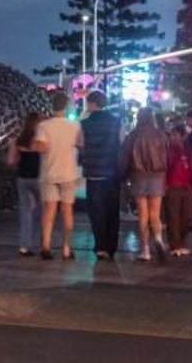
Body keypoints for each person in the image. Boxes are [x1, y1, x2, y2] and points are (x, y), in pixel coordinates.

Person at [34, 98, 81, 260]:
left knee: (49, 210)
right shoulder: (75, 125)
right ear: (67, 107)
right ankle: (67, 248)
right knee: (67, 211)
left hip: (49, 173)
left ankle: (46, 245)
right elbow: (80, 143)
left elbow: (39, 147)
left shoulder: (43, 126)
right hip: (68, 173)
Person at [79, 91, 123, 261]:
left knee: (97, 213)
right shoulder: (117, 122)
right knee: (112, 212)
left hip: (93, 173)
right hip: (112, 173)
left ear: (92, 104)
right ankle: (112, 247)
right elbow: (122, 143)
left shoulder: (84, 124)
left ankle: (101, 247)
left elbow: (81, 146)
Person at [121, 109, 168, 261]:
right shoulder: (161, 135)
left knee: (143, 214)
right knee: (155, 213)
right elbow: (168, 156)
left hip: (138, 176)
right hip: (158, 177)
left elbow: (125, 158)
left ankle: (145, 250)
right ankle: (159, 240)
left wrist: (124, 177)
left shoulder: (133, 136)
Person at [8, 112, 46, 256]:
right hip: (39, 178)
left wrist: (21, 157)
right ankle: (40, 243)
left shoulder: (18, 139)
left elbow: (11, 161)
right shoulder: (40, 140)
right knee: (41, 212)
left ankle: (24, 245)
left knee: (25, 212)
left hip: (23, 178)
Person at [163, 122, 192, 257]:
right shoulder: (168, 151)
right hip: (173, 187)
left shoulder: (190, 152)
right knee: (173, 217)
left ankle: (181, 242)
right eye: (171, 135)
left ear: (183, 137)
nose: (172, 138)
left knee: (188, 217)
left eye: (175, 135)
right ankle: (175, 245)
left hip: (188, 187)